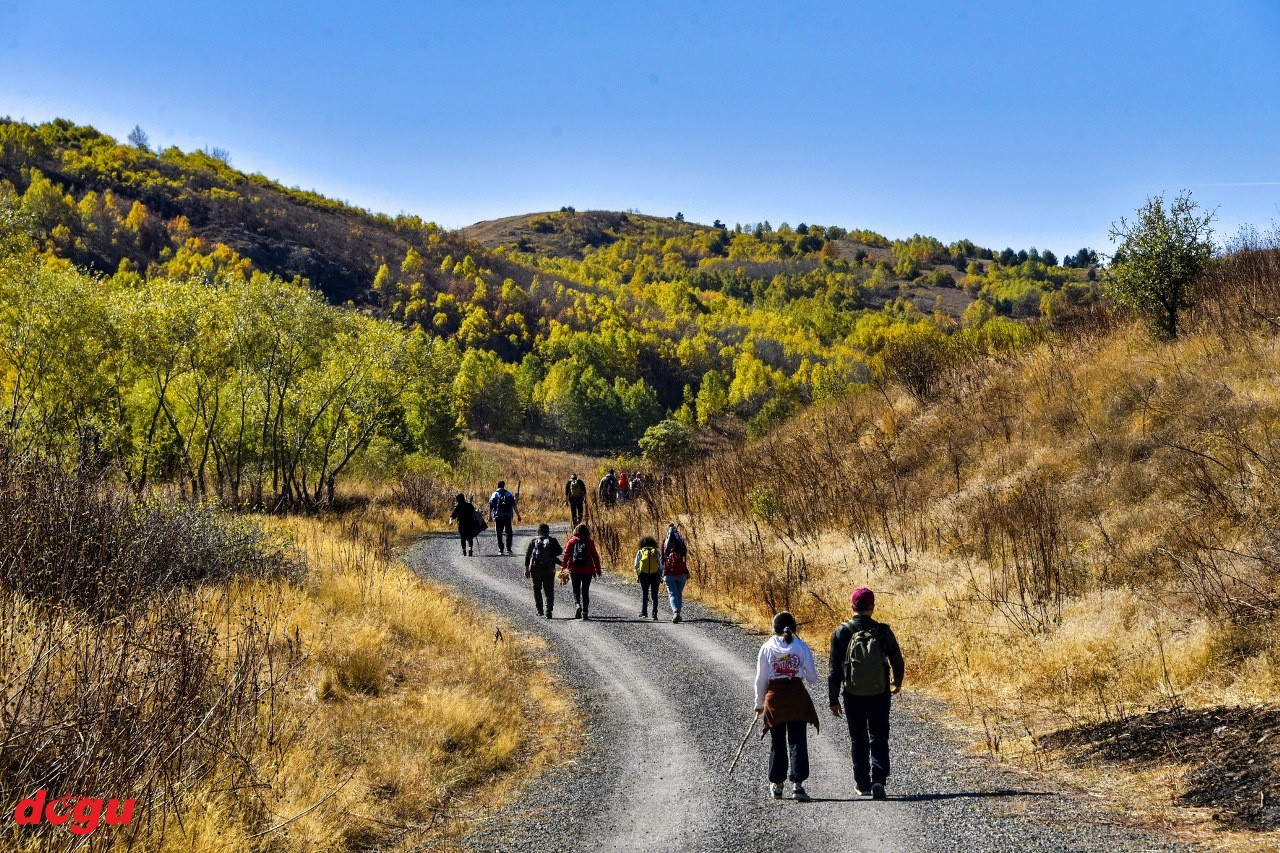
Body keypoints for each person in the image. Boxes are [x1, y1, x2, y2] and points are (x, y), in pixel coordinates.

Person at [828, 587, 904, 800]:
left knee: (858, 737)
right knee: (879, 736)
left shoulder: (841, 632)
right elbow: (897, 659)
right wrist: (896, 682)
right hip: (879, 692)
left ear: (852, 606)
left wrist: (833, 699)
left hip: (852, 694)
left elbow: (834, 670)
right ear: (873, 607)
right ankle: (879, 779)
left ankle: (863, 784)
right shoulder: (882, 631)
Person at [755, 611, 820, 802]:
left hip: (775, 698)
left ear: (773, 628)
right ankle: (798, 785)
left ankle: (777, 784)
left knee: (777, 741)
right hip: (796, 697)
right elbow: (813, 678)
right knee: (797, 740)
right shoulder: (801, 647)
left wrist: (759, 704)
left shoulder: (767, 648)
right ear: (794, 628)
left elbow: (761, 680)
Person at [561, 523, 602, 620]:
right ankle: (585, 612)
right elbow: (595, 557)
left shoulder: (571, 541)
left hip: (574, 570)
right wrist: (598, 569)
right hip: (588, 570)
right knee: (585, 591)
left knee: (576, 589)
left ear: (576, 531)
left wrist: (563, 568)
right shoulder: (590, 542)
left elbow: (566, 556)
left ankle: (578, 605)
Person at [524, 523, 563, 620]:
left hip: (535, 568)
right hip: (549, 568)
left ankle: (539, 610)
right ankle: (548, 611)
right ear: (548, 531)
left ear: (538, 531)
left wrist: (526, 569)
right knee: (549, 590)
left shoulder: (533, 541)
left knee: (537, 589)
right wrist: (551, 553)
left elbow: (528, 555)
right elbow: (560, 551)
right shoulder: (552, 541)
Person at [660, 523, 689, 623]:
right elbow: (685, 558)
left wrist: (662, 572)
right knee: (678, 593)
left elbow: (662, 559)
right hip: (682, 573)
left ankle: (675, 612)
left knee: (672, 594)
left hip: (669, 573)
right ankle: (678, 614)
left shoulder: (665, 543)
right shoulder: (681, 544)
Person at [488, 480, 522, 555]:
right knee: (508, 532)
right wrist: (518, 515)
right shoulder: (508, 494)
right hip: (508, 515)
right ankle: (509, 549)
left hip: (498, 516)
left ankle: (501, 549)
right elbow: (514, 506)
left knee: (499, 532)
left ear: (497, 486)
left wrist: (489, 516)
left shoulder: (494, 494)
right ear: (504, 485)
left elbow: (491, 506)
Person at [633, 535, 662, 620]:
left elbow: (636, 564)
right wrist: (660, 574)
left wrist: (639, 573)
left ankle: (644, 612)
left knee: (645, 593)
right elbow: (660, 564)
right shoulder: (656, 551)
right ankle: (654, 614)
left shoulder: (641, 551)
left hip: (644, 575)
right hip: (655, 574)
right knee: (654, 594)